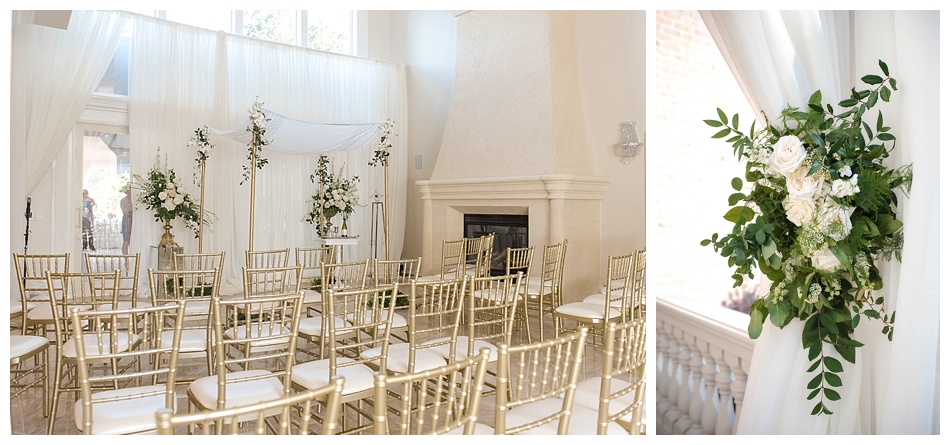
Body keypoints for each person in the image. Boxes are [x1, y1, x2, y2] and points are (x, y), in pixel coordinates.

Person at [120, 187, 133, 255]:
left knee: (132, 240)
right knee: (126, 240)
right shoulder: (123, 200)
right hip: (127, 221)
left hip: (133, 220)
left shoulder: (134, 199)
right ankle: (126, 260)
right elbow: (125, 211)